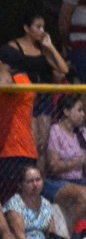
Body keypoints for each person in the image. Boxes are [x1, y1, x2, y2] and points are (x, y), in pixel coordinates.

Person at [7, 12, 70, 155]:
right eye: (38, 27)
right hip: (25, 98)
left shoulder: (43, 48)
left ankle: (41, 176)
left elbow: (64, 69)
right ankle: (28, 175)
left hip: (43, 97)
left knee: (43, 143)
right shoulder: (15, 46)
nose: (42, 31)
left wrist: (50, 46)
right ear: (27, 28)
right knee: (32, 141)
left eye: (44, 27)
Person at [5, 165, 67, 239]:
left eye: (38, 180)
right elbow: (20, 238)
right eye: (30, 181)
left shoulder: (46, 204)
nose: (35, 184)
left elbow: (51, 234)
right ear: (20, 185)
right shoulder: (15, 204)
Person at [44, 95, 86, 225]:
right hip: (59, 182)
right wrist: (77, 162)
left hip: (80, 181)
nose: (83, 114)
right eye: (79, 110)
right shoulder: (55, 131)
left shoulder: (83, 132)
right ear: (66, 112)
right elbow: (54, 167)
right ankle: (72, 233)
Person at [0, 45, 39, 205]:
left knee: (14, 201)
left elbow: (7, 84)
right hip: (12, 150)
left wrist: (3, 68)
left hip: (14, 151)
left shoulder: (19, 80)